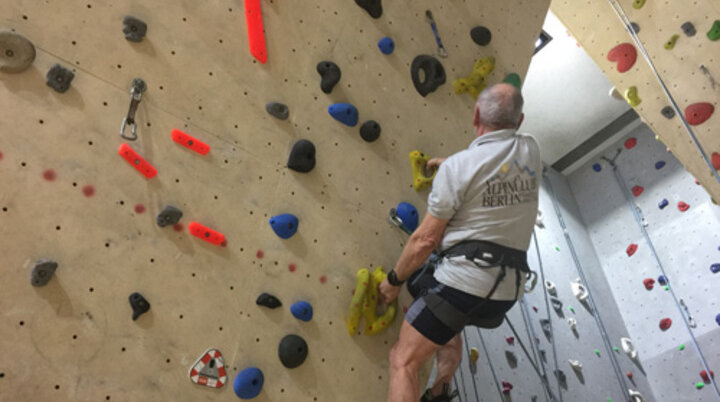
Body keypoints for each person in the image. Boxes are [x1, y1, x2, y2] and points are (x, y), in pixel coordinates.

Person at [379, 83, 542, 402]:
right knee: (447, 323)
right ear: (520, 121)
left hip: (462, 284)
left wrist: (393, 282)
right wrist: (456, 167)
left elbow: (425, 240)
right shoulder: (531, 149)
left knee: (404, 362)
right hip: (506, 293)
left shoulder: (459, 168)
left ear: (476, 115)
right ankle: (441, 387)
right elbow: (494, 164)